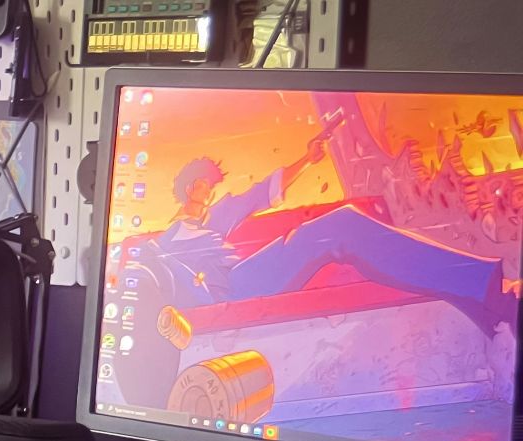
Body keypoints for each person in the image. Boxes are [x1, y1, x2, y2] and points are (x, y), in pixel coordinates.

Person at [145, 124, 520, 344]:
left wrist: (308, 159)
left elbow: (260, 192)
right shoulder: (166, 243)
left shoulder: (214, 217)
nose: (211, 193)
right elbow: (166, 292)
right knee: (338, 227)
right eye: (208, 186)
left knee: (342, 229)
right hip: (231, 290)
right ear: (193, 188)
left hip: (243, 279)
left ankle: (490, 304)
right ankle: (490, 291)